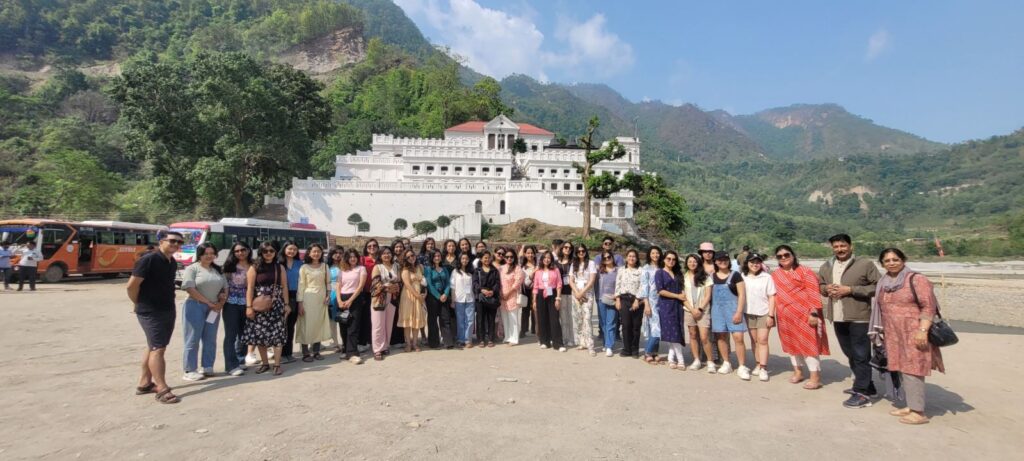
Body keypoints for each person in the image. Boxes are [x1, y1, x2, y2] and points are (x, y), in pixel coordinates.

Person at [871, 248, 946, 425]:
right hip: (893, 332)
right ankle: (911, 405)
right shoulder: (884, 281)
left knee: (914, 368)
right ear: (882, 264)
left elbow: (928, 306)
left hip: (914, 331)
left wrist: (923, 330)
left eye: (895, 259)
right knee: (901, 368)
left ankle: (918, 412)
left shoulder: (916, 279)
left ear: (903, 260)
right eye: (887, 260)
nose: (891, 263)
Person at [818, 233, 881, 409]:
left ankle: (862, 393)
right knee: (850, 353)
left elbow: (878, 286)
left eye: (843, 246)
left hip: (859, 316)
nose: (840, 249)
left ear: (851, 246)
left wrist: (851, 290)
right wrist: (826, 289)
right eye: (836, 246)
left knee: (861, 355)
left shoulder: (865, 264)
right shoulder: (826, 266)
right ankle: (868, 386)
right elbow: (820, 286)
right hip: (838, 316)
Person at [127, 230, 184, 404]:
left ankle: (144, 383)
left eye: (179, 242)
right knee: (158, 349)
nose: (176, 244)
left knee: (154, 346)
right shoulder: (148, 260)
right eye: (172, 241)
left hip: (167, 309)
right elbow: (131, 286)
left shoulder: (171, 262)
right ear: (161, 241)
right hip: (150, 311)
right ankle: (162, 388)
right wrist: (137, 302)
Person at [772, 245, 830, 390]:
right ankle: (798, 372)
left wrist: (814, 313)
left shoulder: (805, 271)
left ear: (793, 255)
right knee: (791, 344)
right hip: (785, 316)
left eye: (786, 255)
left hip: (805, 314)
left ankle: (815, 377)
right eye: (780, 256)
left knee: (809, 345)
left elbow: (813, 292)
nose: (783, 258)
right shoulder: (776, 274)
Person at [180, 242, 227, 381]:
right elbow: (190, 288)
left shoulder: (218, 270)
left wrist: (220, 303)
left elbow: (225, 288)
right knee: (193, 338)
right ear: (199, 254)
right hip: (195, 306)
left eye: (212, 253)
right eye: (206, 253)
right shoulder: (192, 268)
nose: (209, 256)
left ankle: (207, 366)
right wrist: (207, 302)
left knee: (210, 338)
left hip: (214, 308)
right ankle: (190, 370)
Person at [243, 242, 291, 376]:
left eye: (271, 251)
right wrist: (249, 307)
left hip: (277, 304)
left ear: (275, 252)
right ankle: (265, 363)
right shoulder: (255, 267)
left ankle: (277, 364)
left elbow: (284, 286)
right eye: (265, 251)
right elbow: (250, 288)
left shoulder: (279, 267)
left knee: (278, 335)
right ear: (261, 253)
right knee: (261, 335)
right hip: (259, 305)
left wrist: (286, 304)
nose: (269, 253)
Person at [710, 251, 747, 377]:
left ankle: (742, 366)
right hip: (717, 311)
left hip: (734, 310)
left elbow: (742, 295)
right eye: (719, 260)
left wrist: (739, 312)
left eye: (725, 259)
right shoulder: (711, 277)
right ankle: (726, 363)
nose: (723, 262)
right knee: (721, 337)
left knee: (738, 337)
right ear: (715, 262)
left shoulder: (735, 275)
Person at [741, 253, 775, 382]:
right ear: (747, 263)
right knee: (754, 340)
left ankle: (763, 368)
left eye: (757, 262)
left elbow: (772, 296)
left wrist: (771, 315)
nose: (755, 264)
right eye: (752, 262)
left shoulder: (766, 277)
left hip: (764, 312)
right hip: (749, 312)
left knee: (763, 340)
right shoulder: (743, 276)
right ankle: (757, 363)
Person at [296, 243, 332, 362]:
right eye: (314, 251)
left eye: (318, 251)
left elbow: (328, 283)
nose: (316, 254)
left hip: (321, 299)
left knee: (318, 324)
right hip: (307, 298)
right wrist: (300, 303)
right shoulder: (304, 267)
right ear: (309, 253)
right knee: (306, 325)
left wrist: (328, 295)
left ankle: (316, 351)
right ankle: (305, 352)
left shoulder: (325, 266)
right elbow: (301, 285)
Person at [222, 242, 252, 376]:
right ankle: (231, 365)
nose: (240, 253)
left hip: (248, 303)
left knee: (244, 334)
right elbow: (223, 285)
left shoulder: (254, 265)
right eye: (237, 251)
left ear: (248, 250)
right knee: (231, 335)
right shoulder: (229, 267)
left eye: (243, 250)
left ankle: (240, 360)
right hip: (231, 303)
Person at [682, 253, 714, 372]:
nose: (692, 263)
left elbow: (708, 295)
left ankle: (710, 361)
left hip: (703, 310)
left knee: (704, 337)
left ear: (698, 263)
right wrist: (692, 309)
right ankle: (696, 360)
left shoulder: (705, 276)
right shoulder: (683, 277)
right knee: (693, 335)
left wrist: (700, 309)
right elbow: (682, 296)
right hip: (689, 309)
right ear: (686, 263)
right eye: (690, 261)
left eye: (694, 261)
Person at [656, 251, 687, 369]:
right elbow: (660, 290)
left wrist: (682, 298)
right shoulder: (659, 273)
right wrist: (677, 296)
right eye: (668, 259)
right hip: (666, 306)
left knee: (676, 331)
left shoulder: (678, 273)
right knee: (674, 332)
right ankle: (680, 359)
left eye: (673, 259)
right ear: (664, 259)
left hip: (678, 306)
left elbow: (682, 288)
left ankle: (670, 358)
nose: (671, 261)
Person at [369, 247, 399, 360]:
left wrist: (396, 287)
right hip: (379, 299)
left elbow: (399, 281)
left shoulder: (396, 266)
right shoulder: (377, 267)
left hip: (392, 298)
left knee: (388, 324)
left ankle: (385, 345)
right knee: (378, 325)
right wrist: (387, 288)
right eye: (384, 253)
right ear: (380, 256)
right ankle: (377, 349)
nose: (387, 255)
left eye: (388, 253)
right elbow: (375, 284)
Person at [337, 249, 366, 364]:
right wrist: (339, 300)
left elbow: (360, 286)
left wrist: (350, 300)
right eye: (350, 257)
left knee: (353, 327)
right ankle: (345, 350)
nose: (352, 259)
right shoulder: (342, 270)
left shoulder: (361, 269)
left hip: (355, 298)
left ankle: (353, 353)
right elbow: (338, 285)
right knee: (343, 326)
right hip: (342, 298)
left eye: (354, 256)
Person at [532, 251, 565, 351]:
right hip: (540, 294)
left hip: (552, 293)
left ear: (551, 259)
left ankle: (558, 343)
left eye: (549, 258)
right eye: (545, 258)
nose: (546, 259)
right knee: (542, 318)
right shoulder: (538, 271)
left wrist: (558, 298)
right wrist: (534, 301)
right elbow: (535, 287)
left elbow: (559, 284)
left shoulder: (555, 270)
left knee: (554, 319)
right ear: (542, 259)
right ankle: (544, 341)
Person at [593, 237, 624, 342]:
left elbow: (620, 273)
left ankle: (616, 334)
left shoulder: (618, 257)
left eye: (609, 243)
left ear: (612, 244)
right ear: (603, 245)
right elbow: (596, 272)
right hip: (600, 291)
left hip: (614, 292)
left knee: (615, 315)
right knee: (602, 315)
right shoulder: (598, 257)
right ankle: (602, 333)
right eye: (605, 243)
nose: (607, 245)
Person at [569, 244, 598, 356]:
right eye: (578, 251)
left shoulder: (591, 263)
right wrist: (577, 292)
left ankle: (590, 345)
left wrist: (582, 292)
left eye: (583, 251)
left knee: (587, 318)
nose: (581, 253)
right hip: (576, 293)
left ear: (586, 251)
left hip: (587, 293)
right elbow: (571, 280)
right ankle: (582, 342)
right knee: (579, 318)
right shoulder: (573, 264)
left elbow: (592, 280)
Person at [615, 250, 643, 358]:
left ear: (637, 258)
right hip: (624, 299)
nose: (631, 258)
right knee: (626, 325)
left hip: (637, 300)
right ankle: (627, 349)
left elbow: (642, 286)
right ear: (626, 258)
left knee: (636, 326)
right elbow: (617, 285)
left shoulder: (641, 270)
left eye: (634, 256)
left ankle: (635, 350)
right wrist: (617, 299)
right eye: (630, 256)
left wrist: (637, 300)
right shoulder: (621, 270)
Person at [278, 242, 303, 364]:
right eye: (290, 249)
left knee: (290, 326)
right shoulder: (278, 263)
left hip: (295, 295)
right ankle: (279, 354)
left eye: (294, 249)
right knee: (281, 326)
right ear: (284, 249)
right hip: (280, 296)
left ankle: (288, 353)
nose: (292, 251)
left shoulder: (300, 264)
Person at [398, 250, 427, 352]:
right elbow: (407, 285)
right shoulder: (405, 270)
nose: (411, 257)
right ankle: (408, 344)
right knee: (408, 320)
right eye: (408, 256)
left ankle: (415, 343)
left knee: (416, 319)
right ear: (405, 259)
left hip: (419, 295)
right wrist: (417, 296)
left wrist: (424, 293)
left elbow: (423, 281)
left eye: (412, 255)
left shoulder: (420, 267)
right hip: (408, 296)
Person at [638, 246, 663, 364]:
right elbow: (644, 287)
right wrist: (646, 304)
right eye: (653, 253)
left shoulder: (663, 267)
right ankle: (647, 352)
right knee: (655, 328)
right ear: (649, 255)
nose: (655, 255)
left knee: (657, 327)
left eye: (657, 253)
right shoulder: (646, 268)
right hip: (651, 302)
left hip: (663, 301)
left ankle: (654, 352)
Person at [424, 250, 452, 349]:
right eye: (435, 256)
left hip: (444, 295)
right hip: (432, 297)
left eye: (439, 256)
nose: (437, 258)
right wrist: (438, 296)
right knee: (432, 320)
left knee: (445, 318)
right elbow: (429, 284)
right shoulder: (428, 269)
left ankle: (448, 342)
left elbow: (448, 283)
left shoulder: (444, 269)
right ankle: (434, 343)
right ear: (432, 258)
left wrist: (445, 294)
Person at [473, 251, 501, 347]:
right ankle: (481, 339)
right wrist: (482, 290)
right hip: (480, 298)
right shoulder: (477, 271)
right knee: (480, 319)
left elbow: (497, 283)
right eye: (485, 257)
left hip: (492, 297)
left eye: (488, 257)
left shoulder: (494, 270)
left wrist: (492, 291)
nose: (487, 259)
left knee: (491, 318)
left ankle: (490, 339)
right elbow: (475, 283)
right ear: (481, 259)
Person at [499, 249, 525, 346]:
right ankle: (507, 337)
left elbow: (517, 283)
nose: (509, 258)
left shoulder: (517, 269)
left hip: (512, 295)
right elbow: (498, 282)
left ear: (514, 257)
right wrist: (501, 293)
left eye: (511, 257)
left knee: (513, 318)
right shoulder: (501, 268)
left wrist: (508, 293)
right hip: (502, 296)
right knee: (505, 317)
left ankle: (514, 338)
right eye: (507, 257)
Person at [596, 251, 619, 356]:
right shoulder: (599, 271)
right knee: (603, 323)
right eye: (604, 258)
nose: (607, 259)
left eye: (609, 257)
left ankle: (609, 346)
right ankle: (606, 343)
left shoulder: (618, 270)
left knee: (611, 322)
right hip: (601, 299)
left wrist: (617, 296)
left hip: (613, 299)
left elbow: (621, 285)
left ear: (612, 257)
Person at [450, 253, 476, 348]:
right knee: (460, 320)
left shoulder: (471, 271)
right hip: (459, 299)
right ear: (460, 260)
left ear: (469, 260)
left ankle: (468, 339)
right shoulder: (455, 272)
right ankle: (461, 339)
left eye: (466, 259)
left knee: (470, 320)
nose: (464, 260)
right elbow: (453, 287)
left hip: (470, 299)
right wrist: (453, 300)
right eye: (463, 258)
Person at [555, 241, 576, 347]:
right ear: (562, 248)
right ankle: (564, 337)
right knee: (563, 316)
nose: (568, 249)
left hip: (572, 292)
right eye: (565, 247)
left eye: (570, 248)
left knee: (572, 316)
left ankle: (572, 338)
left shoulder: (574, 262)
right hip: (561, 292)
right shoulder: (556, 263)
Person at [359, 240, 379, 351]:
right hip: (365, 292)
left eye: (374, 245)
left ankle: (373, 341)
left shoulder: (380, 260)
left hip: (379, 293)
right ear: (366, 248)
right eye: (369, 246)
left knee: (376, 319)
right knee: (365, 318)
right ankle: (364, 341)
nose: (372, 247)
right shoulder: (362, 260)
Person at [326, 245, 345, 353]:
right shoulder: (327, 267)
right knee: (332, 321)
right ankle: (335, 343)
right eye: (335, 253)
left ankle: (345, 342)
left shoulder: (346, 265)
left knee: (344, 319)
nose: (338, 255)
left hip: (344, 294)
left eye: (340, 253)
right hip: (332, 294)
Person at [519, 245, 539, 339]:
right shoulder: (522, 266)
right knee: (525, 310)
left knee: (535, 309)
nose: (530, 255)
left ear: (534, 254)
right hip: (526, 290)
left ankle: (535, 329)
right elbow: (524, 280)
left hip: (537, 290)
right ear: (525, 254)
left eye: (532, 253)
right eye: (528, 253)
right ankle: (523, 330)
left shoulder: (538, 264)